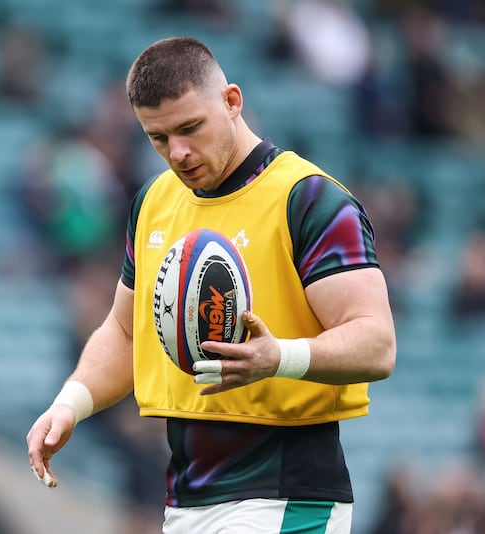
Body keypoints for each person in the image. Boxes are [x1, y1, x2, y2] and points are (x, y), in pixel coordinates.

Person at [26, 37, 396, 533]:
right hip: (186, 499)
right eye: (158, 138)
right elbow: (125, 331)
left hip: (285, 496)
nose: (176, 153)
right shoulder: (155, 201)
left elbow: (377, 342)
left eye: (189, 128)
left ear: (232, 101)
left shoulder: (309, 199)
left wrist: (279, 357)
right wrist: (70, 403)